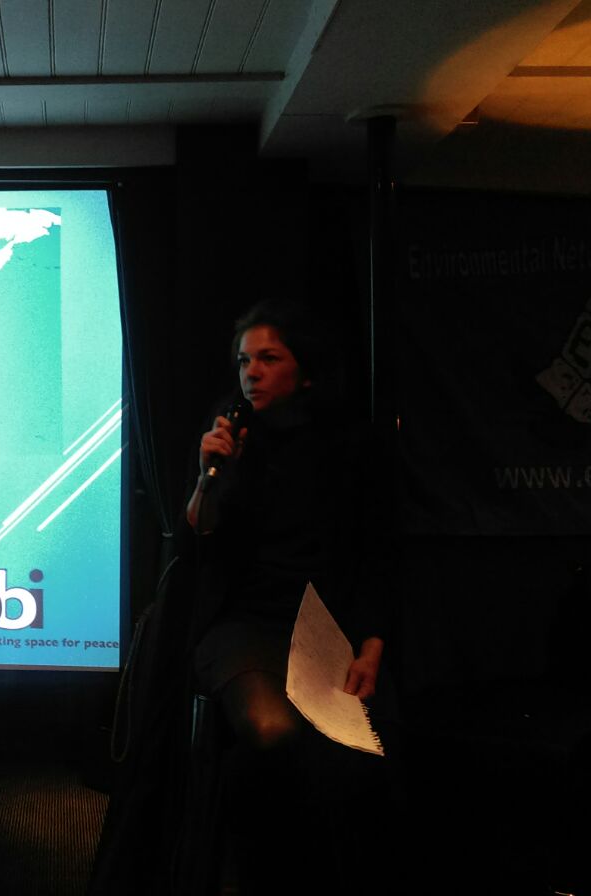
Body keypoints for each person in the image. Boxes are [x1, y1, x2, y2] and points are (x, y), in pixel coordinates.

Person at [183, 300, 393, 895]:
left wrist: (371, 646)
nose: (251, 372)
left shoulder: (350, 445)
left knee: (351, 759)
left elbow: (377, 550)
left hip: (322, 629)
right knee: (271, 729)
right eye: (243, 360)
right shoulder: (231, 435)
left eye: (268, 358)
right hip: (243, 625)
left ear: (305, 370)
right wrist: (206, 476)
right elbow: (197, 533)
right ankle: (244, 872)